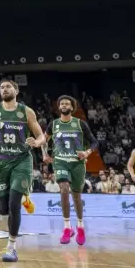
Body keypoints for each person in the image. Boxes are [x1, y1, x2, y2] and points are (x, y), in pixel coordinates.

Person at [0, 79, 46, 263]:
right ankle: (23, 197)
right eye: (2, 87)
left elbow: (41, 136)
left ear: (16, 90)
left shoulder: (26, 111)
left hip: (22, 160)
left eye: (8, 87)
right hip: (1, 162)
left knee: (14, 204)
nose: (4, 89)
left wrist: (36, 142)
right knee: (2, 209)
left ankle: (11, 247)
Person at [43, 96, 98, 245]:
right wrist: (45, 154)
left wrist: (87, 152)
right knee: (64, 189)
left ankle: (80, 227)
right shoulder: (53, 124)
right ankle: (67, 227)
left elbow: (94, 142)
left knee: (76, 196)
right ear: (58, 107)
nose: (64, 105)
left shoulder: (80, 124)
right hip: (60, 161)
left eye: (67, 104)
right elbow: (43, 140)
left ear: (72, 108)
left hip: (77, 163)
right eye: (62, 103)